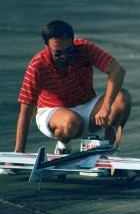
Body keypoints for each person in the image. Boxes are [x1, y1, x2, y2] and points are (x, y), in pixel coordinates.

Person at [14, 20, 132, 154]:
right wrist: (19, 152)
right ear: (47, 46)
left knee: (123, 98)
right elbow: (26, 111)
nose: (64, 56)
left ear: (73, 41)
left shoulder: (84, 48)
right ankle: (63, 145)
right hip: (53, 113)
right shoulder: (37, 65)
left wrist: (106, 106)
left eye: (69, 50)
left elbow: (118, 71)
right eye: (58, 53)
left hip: (87, 107)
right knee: (71, 121)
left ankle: (108, 149)